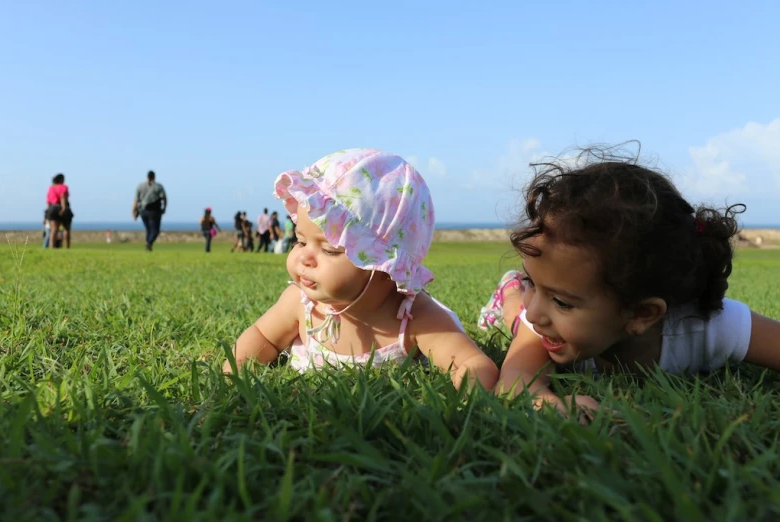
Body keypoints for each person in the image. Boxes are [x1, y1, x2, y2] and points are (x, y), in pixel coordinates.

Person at [485, 146, 780, 414]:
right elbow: (513, 384)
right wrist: (548, 403)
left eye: (562, 302)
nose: (536, 312)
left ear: (642, 313)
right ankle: (513, 289)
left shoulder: (712, 328)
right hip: (540, 329)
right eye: (534, 283)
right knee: (518, 317)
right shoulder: (545, 323)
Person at [223, 148, 498, 391]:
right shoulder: (301, 304)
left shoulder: (415, 317)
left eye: (330, 249)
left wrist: (469, 395)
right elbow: (262, 337)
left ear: (385, 265)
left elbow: (472, 363)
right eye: (300, 240)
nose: (304, 257)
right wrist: (232, 372)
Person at [132, 170, 167, 251]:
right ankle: (149, 243)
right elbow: (164, 199)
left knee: (149, 229)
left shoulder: (140, 186)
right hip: (154, 211)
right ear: (154, 177)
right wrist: (164, 208)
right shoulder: (158, 186)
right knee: (155, 230)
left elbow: (136, 200)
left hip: (143, 211)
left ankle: (148, 246)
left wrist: (133, 212)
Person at [46, 173, 73, 249]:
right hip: (61, 207)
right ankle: (67, 247)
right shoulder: (63, 187)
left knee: (54, 229)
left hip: (52, 208)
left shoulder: (51, 188)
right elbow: (63, 197)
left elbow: (48, 201)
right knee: (66, 229)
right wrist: (63, 208)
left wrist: (46, 215)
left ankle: (52, 247)